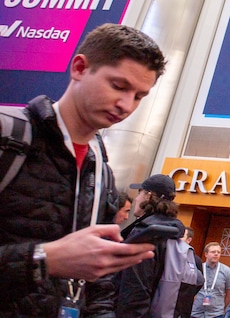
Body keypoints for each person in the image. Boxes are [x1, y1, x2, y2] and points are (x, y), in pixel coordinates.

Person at [0, 23, 165, 316]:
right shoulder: (8, 138)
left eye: (139, 96)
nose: (126, 105)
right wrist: (44, 260)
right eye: (118, 86)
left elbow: (98, 287)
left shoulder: (102, 172)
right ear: (79, 68)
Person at [116, 174, 192, 317]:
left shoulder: (146, 233)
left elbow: (134, 291)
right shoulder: (172, 233)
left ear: (148, 195)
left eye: (140, 193)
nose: (136, 199)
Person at [191, 242, 230, 318]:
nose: (216, 254)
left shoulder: (226, 271)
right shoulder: (198, 269)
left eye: (218, 252)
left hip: (216, 314)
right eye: (213, 252)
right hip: (196, 313)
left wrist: (222, 308)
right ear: (206, 254)